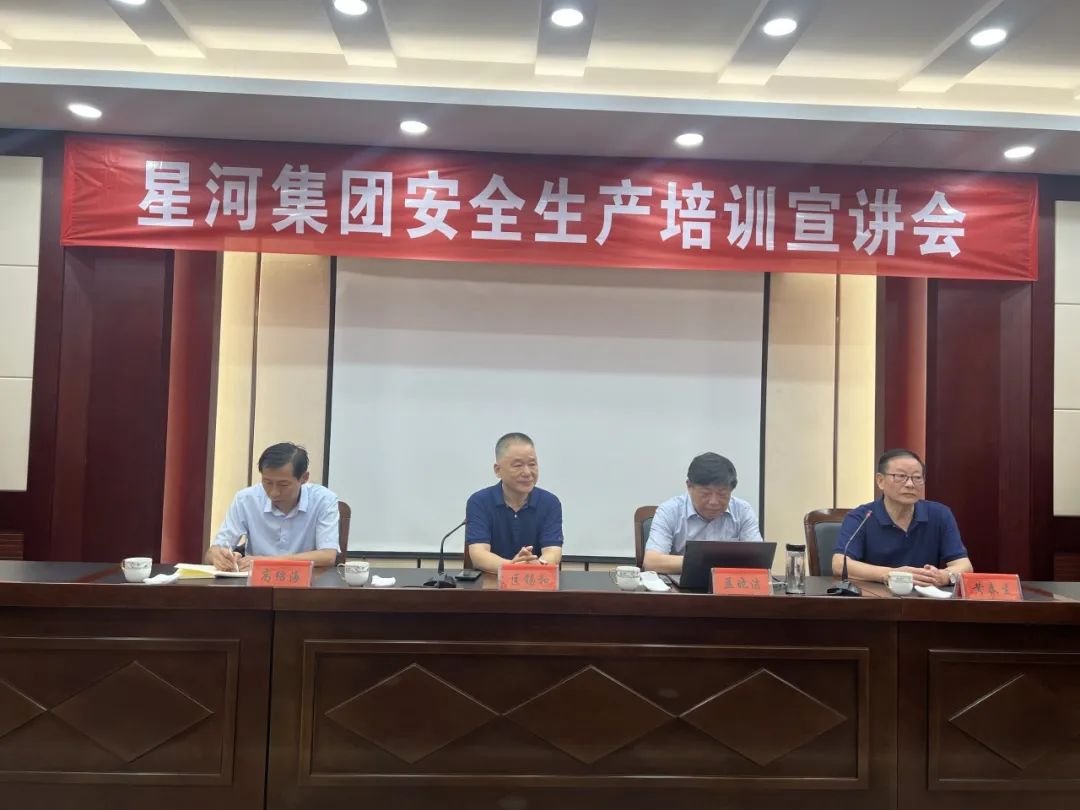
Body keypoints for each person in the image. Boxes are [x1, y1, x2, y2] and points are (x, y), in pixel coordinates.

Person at [832, 448, 973, 587]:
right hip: (874, 596)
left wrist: (945, 576)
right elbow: (839, 564)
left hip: (925, 597)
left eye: (917, 478)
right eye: (900, 476)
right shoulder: (861, 517)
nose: (910, 484)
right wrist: (890, 574)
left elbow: (964, 565)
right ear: (880, 481)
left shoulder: (940, 514)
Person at [206, 442, 340, 571]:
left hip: (306, 582)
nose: (274, 492)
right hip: (255, 582)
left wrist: (266, 562)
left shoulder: (324, 500)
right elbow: (214, 550)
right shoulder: (245, 499)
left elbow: (328, 556)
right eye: (267, 482)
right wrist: (219, 556)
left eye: (283, 484)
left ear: (304, 478)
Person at [643, 452, 762, 574]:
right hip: (682, 584)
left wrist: (708, 563)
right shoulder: (669, 511)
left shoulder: (743, 511)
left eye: (722, 494)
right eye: (705, 494)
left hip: (728, 584)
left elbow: (758, 559)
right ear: (689, 486)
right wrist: (711, 562)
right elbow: (652, 562)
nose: (713, 502)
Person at [465, 433, 564, 573]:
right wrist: (513, 567)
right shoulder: (479, 501)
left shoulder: (550, 503)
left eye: (532, 464)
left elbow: (553, 552)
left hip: (534, 581)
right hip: (491, 582)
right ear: (498, 470)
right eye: (518, 465)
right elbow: (479, 555)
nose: (527, 472)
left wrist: (538, 564)